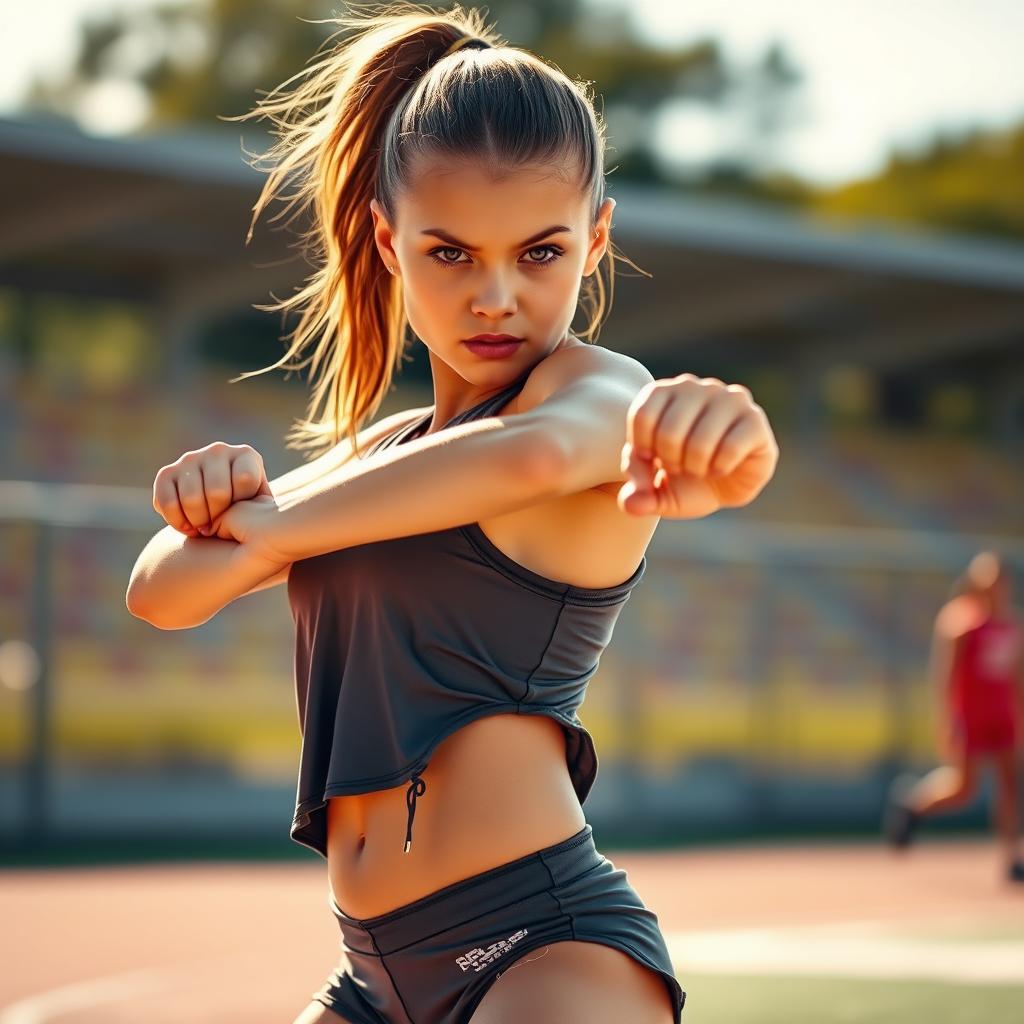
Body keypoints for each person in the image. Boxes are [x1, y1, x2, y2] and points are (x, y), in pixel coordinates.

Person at [127, 5, 779, 1022]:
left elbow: (539, 453)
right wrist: (210, 503)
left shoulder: (598, 390)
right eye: (450, 254)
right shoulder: (377, 460)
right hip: (369, 975)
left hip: (545, 950)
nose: (496, 297)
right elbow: (162, 593)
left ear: (594, 240)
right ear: (389, 241)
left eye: (540, 252)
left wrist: (268, 521)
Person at [883, 551, 1024, 883]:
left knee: (1010, 785)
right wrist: (947, 718)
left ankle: (1011, 857)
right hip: (970, 715)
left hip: (1001, 715)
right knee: (964, 788)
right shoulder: (961, 621)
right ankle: (913, 805)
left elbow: (1016, 677)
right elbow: (946, 674)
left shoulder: (1011, 625)